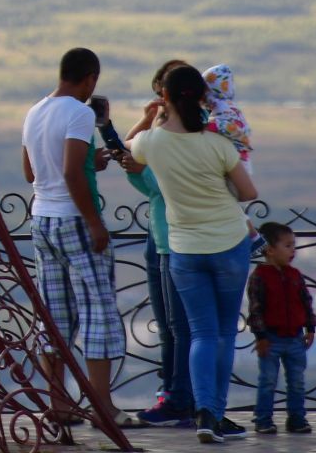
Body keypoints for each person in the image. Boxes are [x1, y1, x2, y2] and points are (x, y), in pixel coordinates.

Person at [130, 63, 259, 445]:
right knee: (223, 333)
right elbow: (248, 192)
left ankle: (203, 413)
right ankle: (214, 414)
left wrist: (150, 118)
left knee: (201, 334)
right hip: (229, 245)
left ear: (164, 97)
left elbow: (128, 151)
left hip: (184, 250)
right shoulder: (217, 144)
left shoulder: (152, 142)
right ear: (201, 98)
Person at [21, 48, 141, 431]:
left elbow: (31, 171)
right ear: (90, 78)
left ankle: (60, 405)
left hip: (41, 219)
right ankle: (103, 406)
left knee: (55, 316)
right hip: (74, 221)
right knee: (98, 313)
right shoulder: (79, 112)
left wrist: (92, 161)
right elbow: (73, 172)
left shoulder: (35, 110)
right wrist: (95, 223)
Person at [121, 59, 196, 427]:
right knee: (171, 326)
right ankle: (173, 391)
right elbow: (131, 158)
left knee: (179, 327)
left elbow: (138, 165)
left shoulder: (174, 138)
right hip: (160, 233)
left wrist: (145, 128)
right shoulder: (162, 133)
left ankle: (180, 396)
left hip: (174, 239)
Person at [246, 222, 315, 435]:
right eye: (287, 246)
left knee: (297, 382)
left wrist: (310, 327)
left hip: (295, 337)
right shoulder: (259, 277)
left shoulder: (295, 275)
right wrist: (261, 337)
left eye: (293, 245)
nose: (293, 250)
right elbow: (255, 309)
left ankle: (296, 419)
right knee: (267, 381)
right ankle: (263, 420)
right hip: (271, 338)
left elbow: (306, 302)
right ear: (269, 249)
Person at [203, 64, 252, 161]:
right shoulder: (231, 106)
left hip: (236, 157)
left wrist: (207, 126)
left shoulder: (222, 106)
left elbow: (227, 126)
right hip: (238, 156)